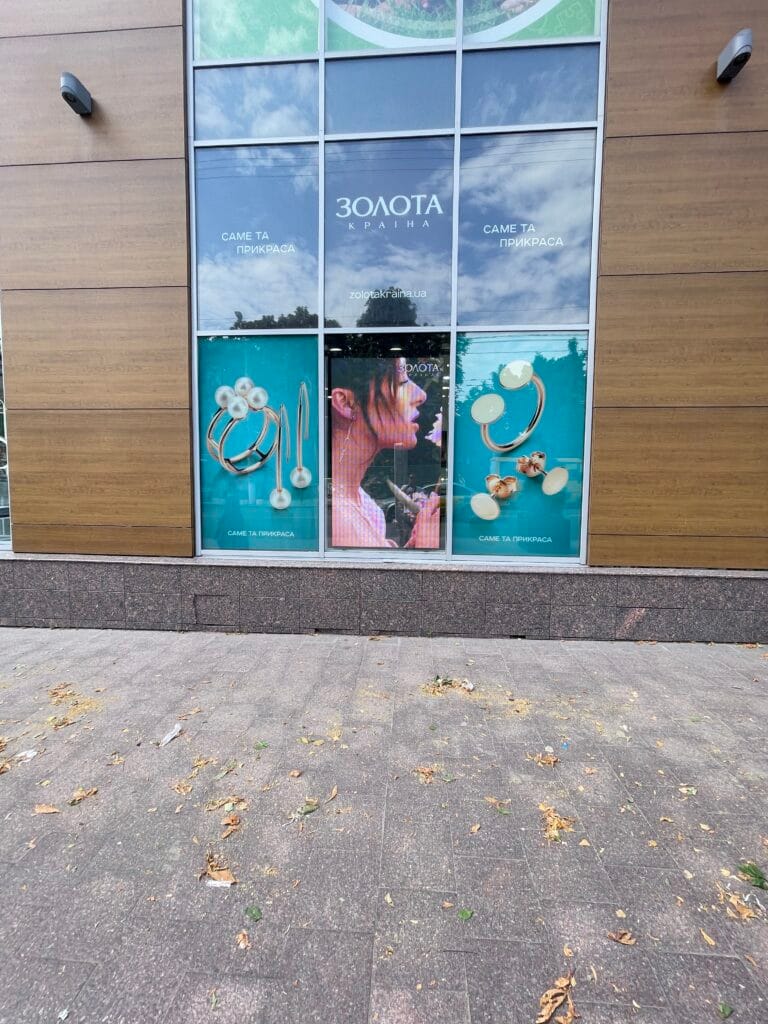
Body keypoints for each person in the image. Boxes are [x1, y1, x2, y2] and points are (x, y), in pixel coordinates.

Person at [330, 356, 440, 548]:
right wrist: (426, 548)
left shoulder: (362, 503)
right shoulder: (337, 515)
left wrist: (414, 545)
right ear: (346, 403)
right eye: (401, 383)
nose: (421, 395)